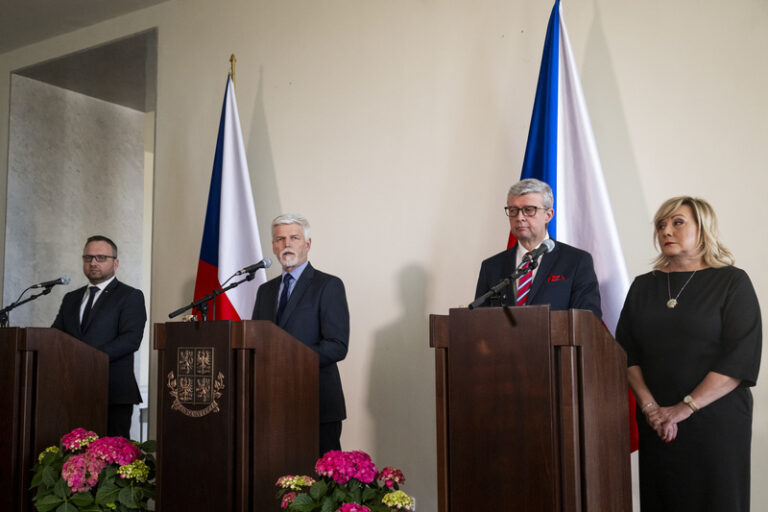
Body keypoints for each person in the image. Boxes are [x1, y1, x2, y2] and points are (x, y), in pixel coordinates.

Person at [616, 196, 761, 511]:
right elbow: (626, 353)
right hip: (657, 422)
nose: (666, 230)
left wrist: (683, 409)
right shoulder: (643, 286)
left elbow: (740, 358)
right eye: (661, 225)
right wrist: (652, 408)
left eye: (677, 222)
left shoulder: (732, 281)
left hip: (715, 422)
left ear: (703, 228)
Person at [251, 214, 349, 456]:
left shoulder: (328, 285)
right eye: (280, 239)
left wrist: (289, 358)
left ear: (307, 244)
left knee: (320, 483)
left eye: (294, 238)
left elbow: (337, 345)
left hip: (316, 402)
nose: (287, 244)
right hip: (272, 403)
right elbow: (256, 341)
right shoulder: (265, 291)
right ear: (273, 246)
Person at [52, 235, 147, 439]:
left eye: (101, 257)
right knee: (72, 456)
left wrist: (88, 357)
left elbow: (131, 339)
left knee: (111, 460)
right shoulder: (71, 298)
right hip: (72, 391)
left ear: (116, 263)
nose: (93, 263)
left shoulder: (130, 296)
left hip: (112, 391)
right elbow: (55, 337)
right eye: (88, 258)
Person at [474, 178, 602, 317]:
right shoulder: (491, 267)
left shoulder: (576, 261)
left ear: (548, 215)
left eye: (529, 210)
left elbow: (587, 320)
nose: (519, 217)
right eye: (513, 210)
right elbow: (479, 321)